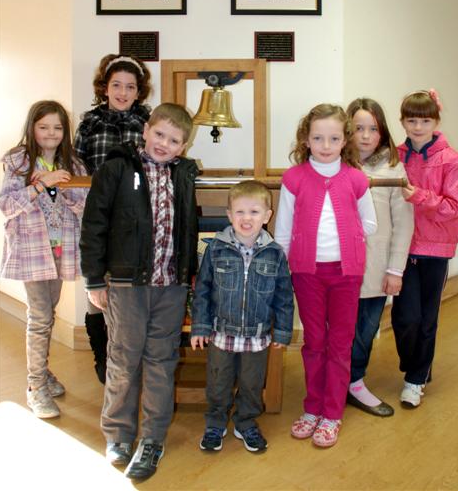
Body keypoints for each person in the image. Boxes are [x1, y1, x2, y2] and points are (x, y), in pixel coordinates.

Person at [80, 103, 199, 481]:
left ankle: (152, 438)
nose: (164, 143)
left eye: (174, 140)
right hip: (127, 285)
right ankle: (118, 434)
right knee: (123, 360)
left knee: (161, 362)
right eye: (159, 134)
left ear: (183, 146)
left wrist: (189, 275)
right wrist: (94, 279)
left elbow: (188, 228)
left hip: (171, 287)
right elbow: (94, 225)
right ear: (146, 130)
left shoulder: (184, 175)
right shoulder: (116, 168)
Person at [275, 104, 377, 448]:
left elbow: (370, 222)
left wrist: (348, 235)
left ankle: (332, 413)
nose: (326, 145)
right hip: (307, 273)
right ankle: (312, 408)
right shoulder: (294, 178)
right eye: (318, 138)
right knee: (315, 341)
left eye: (334, 138)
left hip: (346, 273)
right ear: (306, 139)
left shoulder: (356, 178)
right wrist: (283, 266)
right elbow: (283, 230)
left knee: (340, 343)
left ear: (344, 140)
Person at [0, 100, 87, 419]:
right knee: (39, 317)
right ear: (32, 128)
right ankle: (35, 386)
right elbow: (6, 205)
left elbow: (83, 204)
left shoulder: (73, 163)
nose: (51, 133)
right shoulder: (18, 161)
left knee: (47, 313)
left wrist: (64, 186)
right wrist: (40, 185)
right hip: (32, 250)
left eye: (58, 127)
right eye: (44, 126)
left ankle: (43, 372)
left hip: (60, 250)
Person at [190, 180, 294, 453]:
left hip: (257, 337)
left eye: (254, 212)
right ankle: (215, 422)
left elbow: (284, 296)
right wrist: (200, 326)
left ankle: (246, 422)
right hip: (220, 334)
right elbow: (203, 289)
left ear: (267, 216)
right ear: (229, 215)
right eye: (240, 212)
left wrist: (282, 331)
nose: (246, 218)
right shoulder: (216, 248)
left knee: (251, 384)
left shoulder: (275, 253)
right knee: (218, 382)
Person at [74, 53, 152, 384]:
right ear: (104, 88)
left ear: (139, 91)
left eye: (130, 87)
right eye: (116, 85)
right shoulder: (89, 124)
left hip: (135, 221)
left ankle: (132, 359)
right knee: (97, 292)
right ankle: (103, 359)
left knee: (131, 292)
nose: (123, 92)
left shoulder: (148, 123)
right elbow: (77, 168)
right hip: (98, 218)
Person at [392, 89, 458, 408]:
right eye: (412, 121)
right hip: (402, 247)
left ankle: (415, 378)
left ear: (436, 122)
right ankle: (417, 366)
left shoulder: (451, 159)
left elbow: (453, 207)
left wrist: (419, 196)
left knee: (426, 318)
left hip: (436, 249)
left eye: (425, 121)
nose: (418, 127)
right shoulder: (395, 156)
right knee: (405, 317)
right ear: (403, 122)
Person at [345, 98, 414, 417]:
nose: (365, 135)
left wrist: (395, 270)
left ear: (382, 131)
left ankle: (355, 382)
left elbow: (404, 224)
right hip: (338, 269)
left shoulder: (393, 168)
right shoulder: (335, 165)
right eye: (358, 128)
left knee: (365, 330)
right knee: (338, 330)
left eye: (373, 129)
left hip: (375, 269)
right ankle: (334, 382)